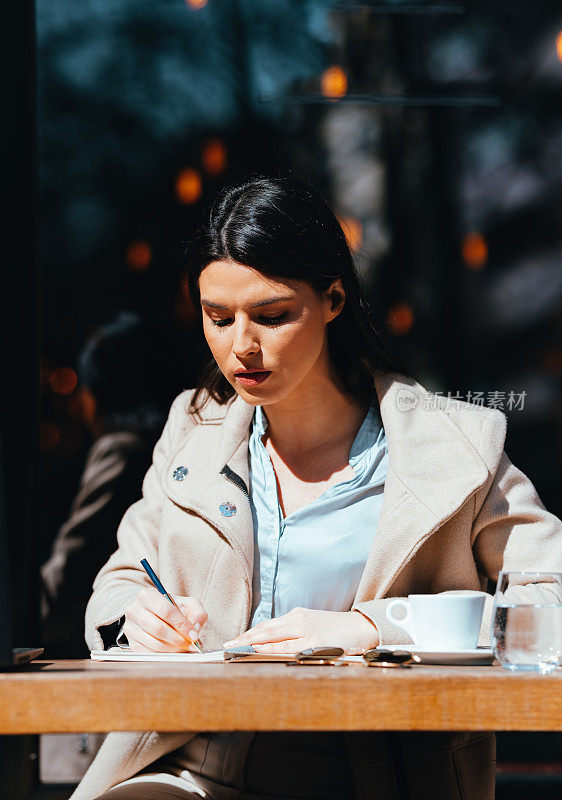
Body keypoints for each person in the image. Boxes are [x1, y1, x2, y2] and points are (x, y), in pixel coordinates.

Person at [70, 175, 562, 800]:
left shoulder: (452, 448)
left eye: (272, 316)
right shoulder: (193, 428)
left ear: (333, 299)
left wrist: (378, 629)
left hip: (370, 784)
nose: (241, 346)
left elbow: (552, 602)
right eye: (216, 317)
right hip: (186, 774)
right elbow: (119, 582)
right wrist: (135, 621)